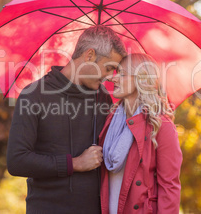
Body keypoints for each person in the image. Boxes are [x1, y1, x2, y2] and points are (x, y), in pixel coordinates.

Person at [7, 25, 127, 214]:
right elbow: (17, 161)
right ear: (89, 55)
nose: (110, 77)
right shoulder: (34, 95)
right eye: (109, 68)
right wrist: (75, 163)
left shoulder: (102, 98)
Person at [99, 53, 183, 214]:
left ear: (141, 79)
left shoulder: (161, 125)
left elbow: (169, 187)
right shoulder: (110, 119)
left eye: (122, 74)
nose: (113, 79)